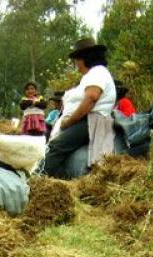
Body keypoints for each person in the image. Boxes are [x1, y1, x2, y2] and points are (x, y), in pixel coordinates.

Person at [41, 38, 117, 178]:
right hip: (88, 120)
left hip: (90, 121)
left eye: (77, 61)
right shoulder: (93, 74)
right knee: (59, 149)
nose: (76, 66)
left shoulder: (97, 73)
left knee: (57, 148)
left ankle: (42, 178)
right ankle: (61, 180)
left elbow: (91, 98)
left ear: (85, 58)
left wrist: (69, 122)